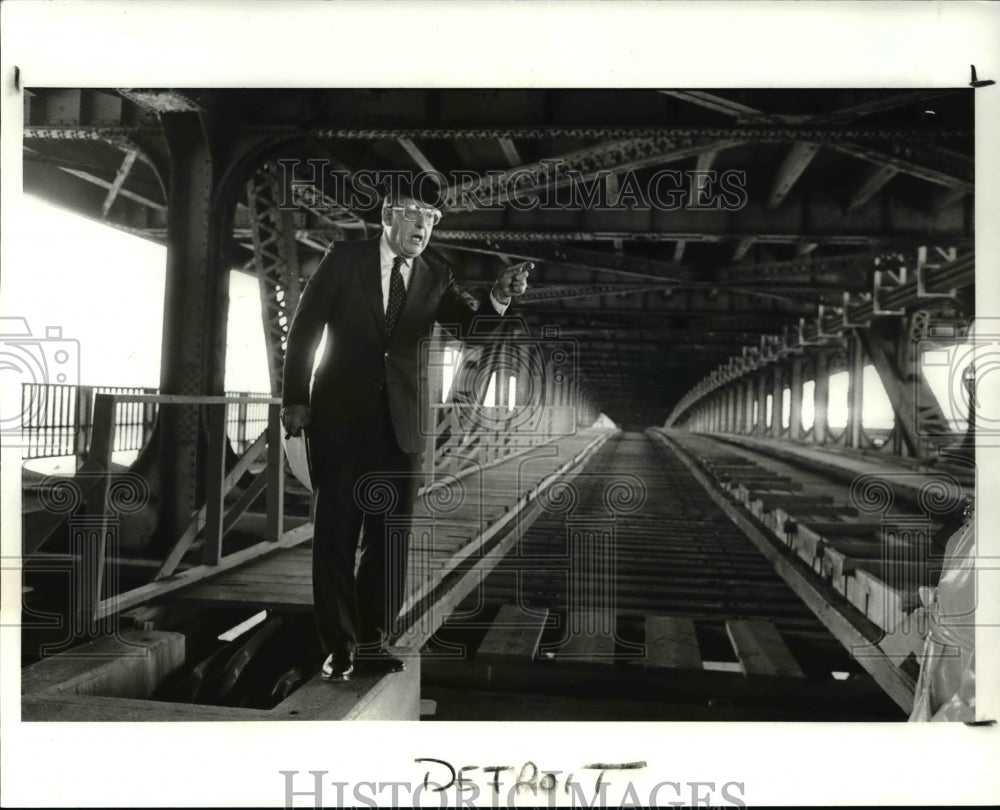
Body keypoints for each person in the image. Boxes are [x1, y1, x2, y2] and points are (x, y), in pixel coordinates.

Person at [280, 178, 530, 681]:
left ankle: (373, 640)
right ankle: (339, 645)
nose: (423, 226)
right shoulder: (344, 258)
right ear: (389, 215)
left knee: (389, 538)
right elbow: (305, 327)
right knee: (335, 536)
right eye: (415, 214)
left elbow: (469, 331)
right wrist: (296, 400)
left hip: (405, 428)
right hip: (340, 421)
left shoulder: (437, 273)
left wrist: (498, 299)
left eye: (433, 220)